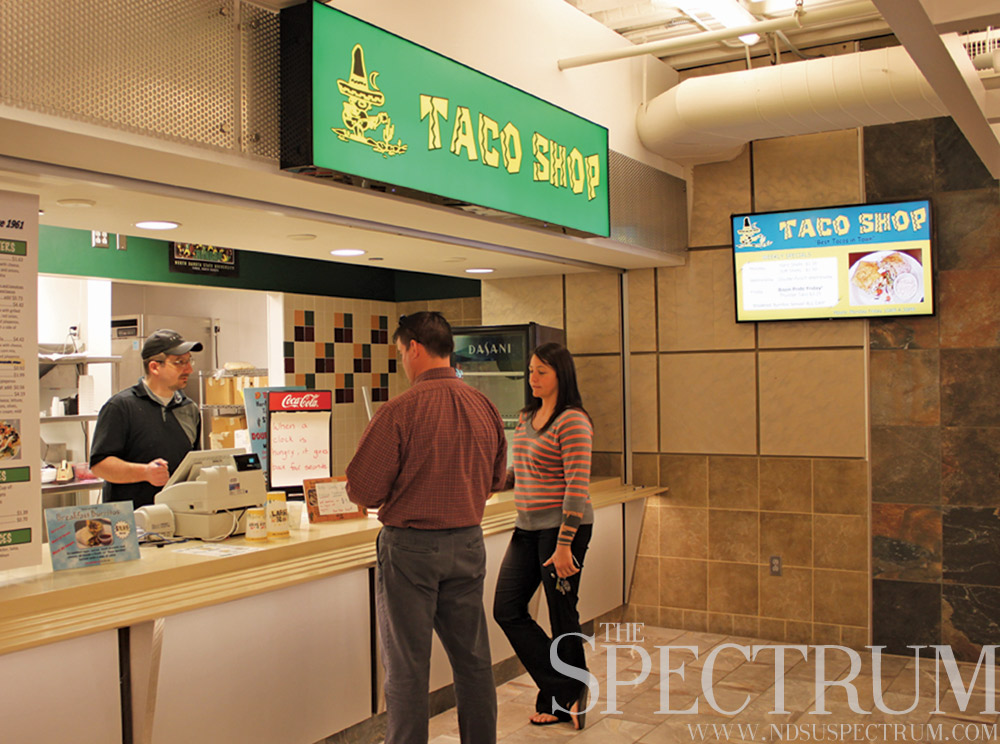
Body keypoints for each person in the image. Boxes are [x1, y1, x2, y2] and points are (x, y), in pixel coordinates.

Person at [345, 311, 507, 744]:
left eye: (401, 352)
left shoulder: (399, 410)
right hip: (468, 543)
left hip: (410, 550)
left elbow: (362, 490)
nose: (403, 360)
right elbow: (496, 481)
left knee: (408, 667)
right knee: (473, 661)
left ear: (414, 348)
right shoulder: (485, 406)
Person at [493, 342, 594, 730]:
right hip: (526, 527)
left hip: (561, 531)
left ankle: (558, 698)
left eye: (541, 372)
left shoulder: (573, 421)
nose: (532, 378)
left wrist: (565, 543)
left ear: (560, 375)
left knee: (561, 613)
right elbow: (520, 471)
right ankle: (567, 687)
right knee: (507, 609)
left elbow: (576, 486)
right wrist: (491, 481)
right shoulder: (526, 417)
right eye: (530, 370)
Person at [90, 329, 203, 509]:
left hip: (179, 516)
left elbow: (194, 463)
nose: (189, 369)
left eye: (189, 361)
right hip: (131, 520)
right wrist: (145, 472)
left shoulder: (189, 409)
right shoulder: (120, 407)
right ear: (154, 367)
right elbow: (100, 465)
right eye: (180, 362)